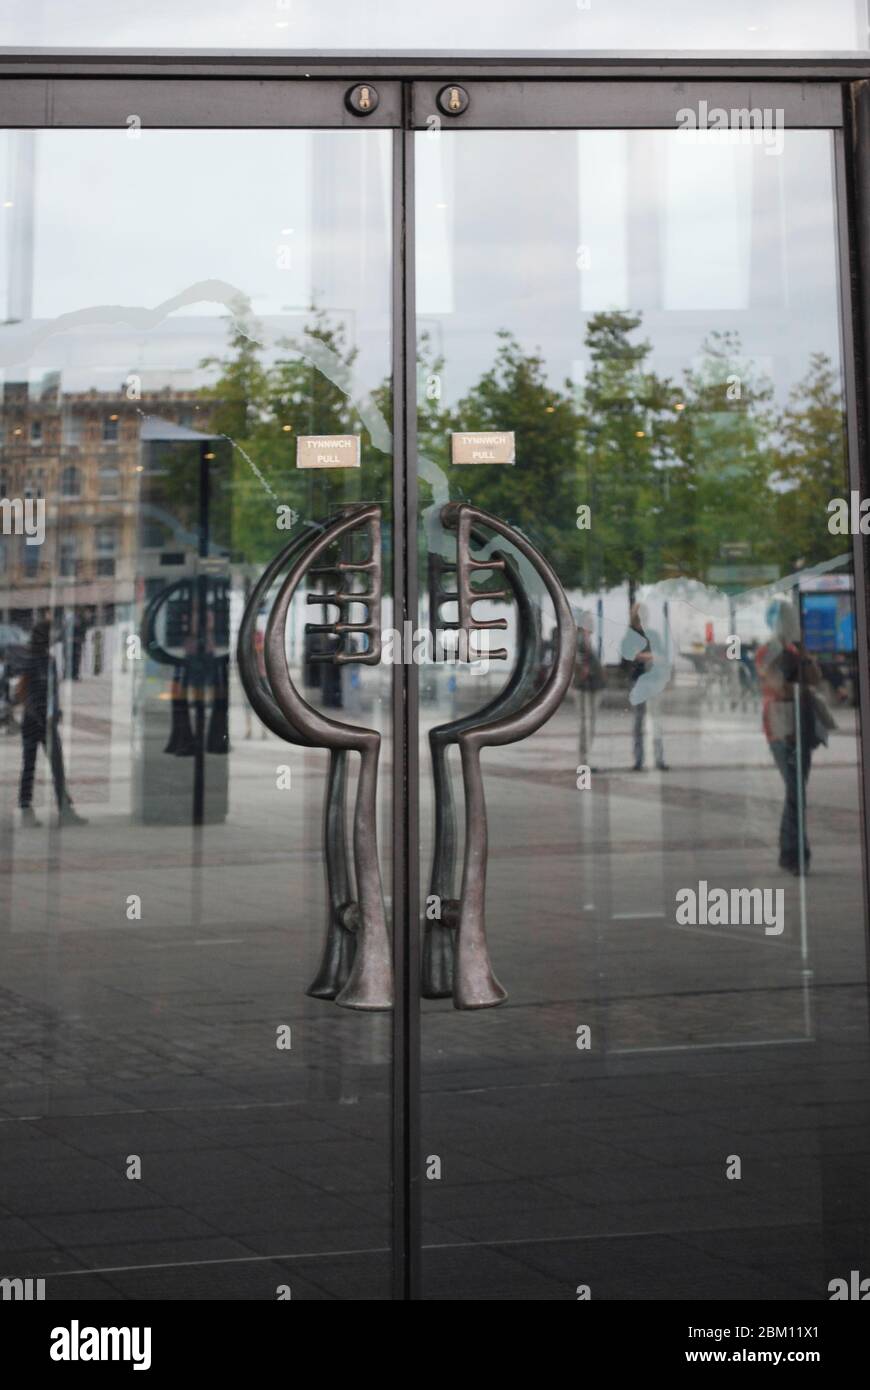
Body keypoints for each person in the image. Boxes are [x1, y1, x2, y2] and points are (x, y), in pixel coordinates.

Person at [756, 598, 820, 875]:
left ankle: (791, 851)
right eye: (788, 618)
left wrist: (804, 657)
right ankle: (796, 853)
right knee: (795, 791)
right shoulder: (768, 651)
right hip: (782, 727)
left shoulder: (795, 650)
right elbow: (778, 687)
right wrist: (798, 682)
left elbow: (816, 679)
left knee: (797, 792)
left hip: (802, 724)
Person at [15, 617, 87, 827]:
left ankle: (63, 809)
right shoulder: (33, 661)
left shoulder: (49, 660)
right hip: (35, 721)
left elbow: (52, 692)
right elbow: (30, 694)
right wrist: (44, 716)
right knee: (32, 766)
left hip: (43, 721)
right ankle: (28, 809)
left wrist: (56, 711)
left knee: (55, 766)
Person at [623, 600, 668, 771]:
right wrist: (650, 656)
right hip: (638, 682)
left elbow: (661, 656)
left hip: (653, 681)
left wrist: (645, 656)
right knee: (639, 721)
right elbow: (630, 655)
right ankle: (639, 760)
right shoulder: (630, 635)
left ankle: (659, 758)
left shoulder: (653, 635)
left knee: (656, 720)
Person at [574, 610, 604, 769]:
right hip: (585, 686)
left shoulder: (587, 639)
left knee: (588, 723)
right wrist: (586, 670)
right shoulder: (580, 640)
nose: (592, 623)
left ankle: (586, 758)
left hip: (592, 686)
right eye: (589, 621)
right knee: (586, 724)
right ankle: (585, 760)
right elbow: (577, 661)